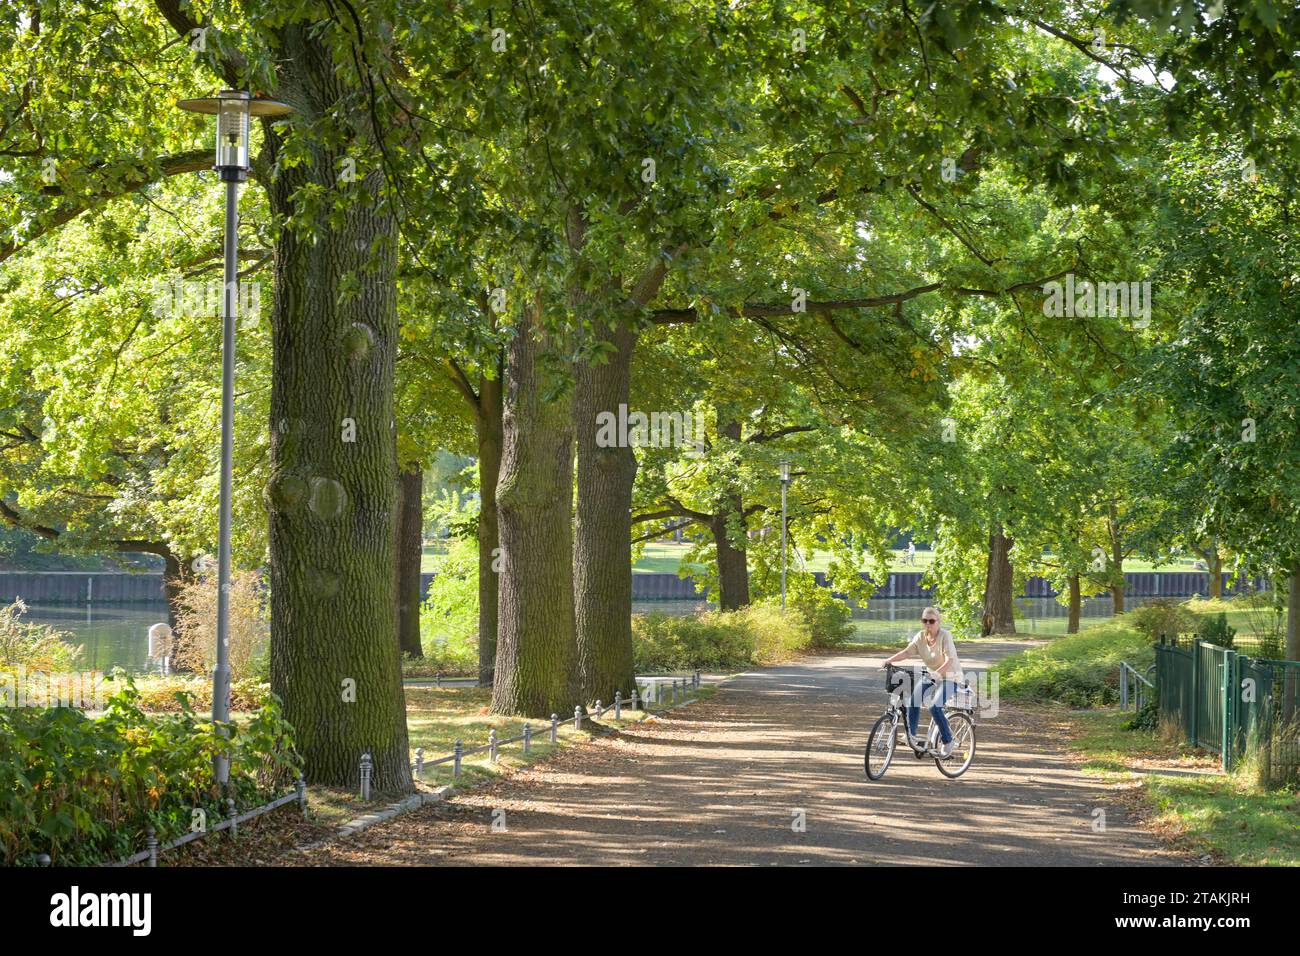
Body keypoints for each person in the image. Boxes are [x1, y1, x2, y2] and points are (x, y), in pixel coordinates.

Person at [883, 607, 965, 757]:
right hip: (932, 675)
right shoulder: (920, 637)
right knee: (914, 700)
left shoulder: (945, 636)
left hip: (950, 677)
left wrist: (936, 674)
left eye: (931, 621)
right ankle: (912, 737)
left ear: (938, 622)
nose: (928, 624)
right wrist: (890, 660)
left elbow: (950, 660)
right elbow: (907, 652)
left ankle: (948, 740)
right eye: (925, 621)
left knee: (935, 706)